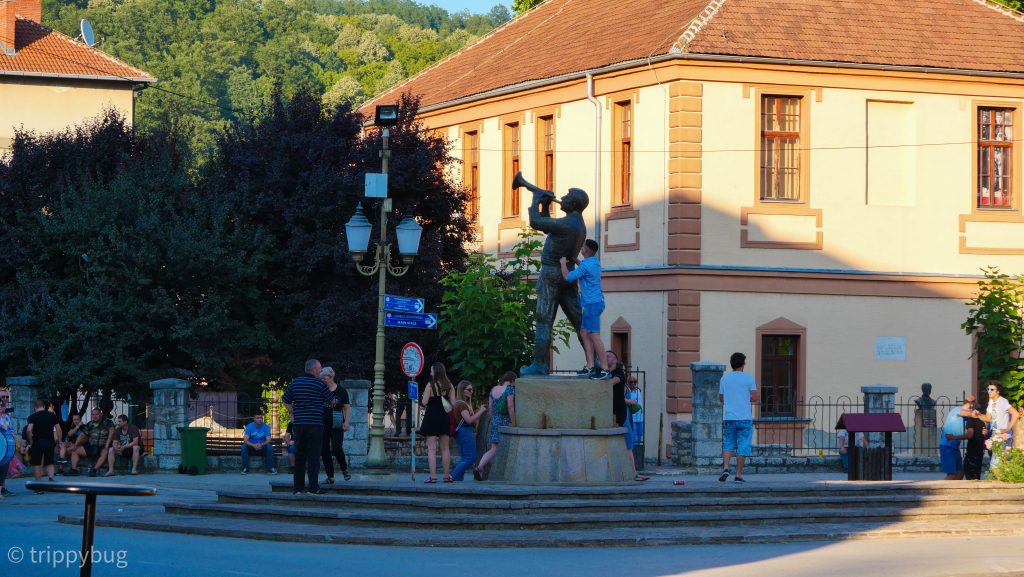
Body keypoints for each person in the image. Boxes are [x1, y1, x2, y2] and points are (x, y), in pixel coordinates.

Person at [514, 171, 589, 376]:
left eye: (566, 196)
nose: (562, 198)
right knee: (578, 319)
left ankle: (539, 364)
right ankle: (595, 361)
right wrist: (546, 206)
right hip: (567, 275)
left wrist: (536, 199)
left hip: (551, 273)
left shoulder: (568, 223)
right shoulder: (577, 223)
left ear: (573, 204)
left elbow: (536, 222)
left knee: (543, 318)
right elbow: (549, 228)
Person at [560, 239, 611, 380]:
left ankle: (605, 368)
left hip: (592, 304)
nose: (580, 248)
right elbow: (583, 267)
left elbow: (568, 277)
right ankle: (589, 366)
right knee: (583, 332)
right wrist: (576, 259)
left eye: (582, 246)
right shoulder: (594, 262)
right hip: (594, 303)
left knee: (594, 335)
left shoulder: (586, 266)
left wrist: (563, 263)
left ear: (586, 250)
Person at [282, 358, 333, 495]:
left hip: (299, 425)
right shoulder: (319, 384)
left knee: (300, 456)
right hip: (315, 424)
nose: (321, 370)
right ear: (314, 369)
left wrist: (294, 412)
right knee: (313, 457)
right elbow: (331, 402)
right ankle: (313, 488)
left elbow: (285, 400)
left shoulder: (295, 383)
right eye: (320, 368)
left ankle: (298, 488)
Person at [607, 351, 648, 481]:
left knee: (628, 443)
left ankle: (633, 472)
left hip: (622, 413)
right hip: (611, 412)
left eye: (608, 355)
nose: (604, 357)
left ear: (614, 359)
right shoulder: (605, 373)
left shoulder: (619, 373)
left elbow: (613, 383)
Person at [719, 352, 758, 483]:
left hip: (730, 417)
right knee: (743, 446)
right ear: (743, 364)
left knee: (728, 443)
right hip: (745, 418)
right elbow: (754, 397)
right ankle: (738, 475)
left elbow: (721, 398)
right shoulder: (749, 378)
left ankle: (725, 468)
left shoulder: (724, 379)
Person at [475, 371, 517, 481]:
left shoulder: (493, 390)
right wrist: (513, 422)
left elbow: (490, 408)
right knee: (508, 447)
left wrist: (494, 419)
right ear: (512, 380)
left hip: (495, 420)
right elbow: (510, 406)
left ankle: (480, 467)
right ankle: (504, 474)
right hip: (506, 421)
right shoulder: (510, 389)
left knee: (493, 448)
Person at [419, 362, 457, 483]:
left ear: (436, 371)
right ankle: (446, 476)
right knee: (445, 449)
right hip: (444, 417)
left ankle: (433, 477)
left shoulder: (430, 385)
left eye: (431, 370)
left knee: (431, 449)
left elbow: (424, 402)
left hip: (431, 417)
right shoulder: (449, 385)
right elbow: (454, 403)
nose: (430, 372)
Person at [975, 381, 1019, 468]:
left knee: (999, 465)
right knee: (996, 465)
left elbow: (1016, 414)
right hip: (995, 435)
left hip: (1004, 436)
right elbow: (987, 418)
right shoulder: (991, 402)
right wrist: (978, 415)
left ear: (998, 391)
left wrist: (1007, 429)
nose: (989, 391)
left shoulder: (1003, 401)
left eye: (992, 389)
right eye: (988, 389)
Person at [450, 380, 487, 481]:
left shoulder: (459, 403)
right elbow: (469, 420)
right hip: (465, 432)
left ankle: (459, 479)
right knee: (470, 458)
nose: (471, 392)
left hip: (460, 433)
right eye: (469, 389)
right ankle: (451, 476)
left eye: (472, 390)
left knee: (464, 458)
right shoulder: (462, 404)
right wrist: (481, 411)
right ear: (463, 390)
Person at [320, 366, 351, 483]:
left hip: (337, 423)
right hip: (323, 424)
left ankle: (344, 469)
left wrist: (346, 422)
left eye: (324, 378)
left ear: (331, 377)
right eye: (321, 378)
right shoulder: (321, 390)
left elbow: (347, 408)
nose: (323, 380)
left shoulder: (341, 391)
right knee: (324, 450)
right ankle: (330, 476)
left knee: (337, 447)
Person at [27, 399, 61, 490]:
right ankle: (51, 479)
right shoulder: (52, 416)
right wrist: (59, 441)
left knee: (37, 463)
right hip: (49, 442)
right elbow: (58, 429)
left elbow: (29, 430)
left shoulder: (32, 417)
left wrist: (31, 441)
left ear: (35, 407)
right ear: (44, 407)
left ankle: (38, 484)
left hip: (37, 442)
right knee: (50, 461)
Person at [69, 408, 114, 477]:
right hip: (91, 445)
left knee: (105, 452)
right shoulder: (90, 424)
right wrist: (76, 444)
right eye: (93, 414)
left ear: (100, 415)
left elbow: (112, 431)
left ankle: (94, 470)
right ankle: (74, 470)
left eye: (96, 414)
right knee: (75, 451)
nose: (94, 416)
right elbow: (82, 435)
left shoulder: (107, 422)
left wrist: (108, 443)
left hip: (103, 445)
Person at [963, 404, 987, 480]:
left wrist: (955, 437)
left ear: (973, 410)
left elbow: (970, 435)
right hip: (980, 449)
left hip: (972, 449)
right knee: (977, 473)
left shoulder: (971, 420)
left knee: (970, 473)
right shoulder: (982, 421)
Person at [0, 391, 14, 497]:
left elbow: (11, 430)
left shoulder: (7, 417)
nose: (5, 398)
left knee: (4, 466)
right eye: (3, 397)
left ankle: (3, 488)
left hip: (6, 445)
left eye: (6, 397)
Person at [626, 374, 644, 446]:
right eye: (631, 382)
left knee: (639, 437)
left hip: (640, 418)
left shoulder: (638, 391)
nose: (633, 383)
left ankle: (638, 454)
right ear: (628, 383)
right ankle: (633, 454)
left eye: (635, 382)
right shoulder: (627, 392)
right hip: (632, 418)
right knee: (634, 438)